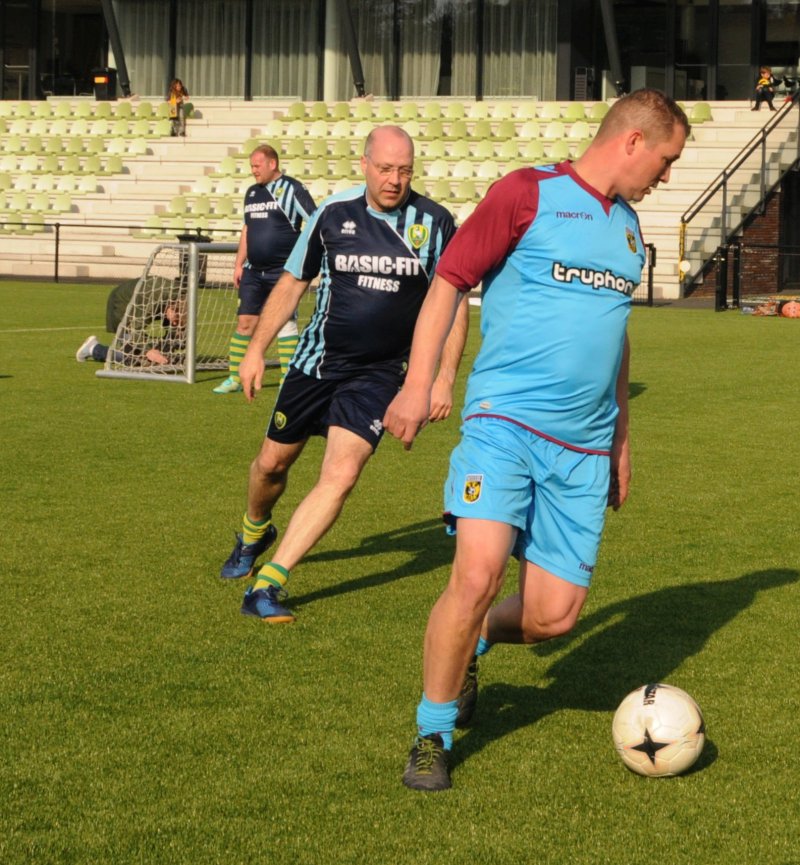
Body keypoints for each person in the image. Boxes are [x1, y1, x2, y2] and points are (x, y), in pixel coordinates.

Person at [383, 88, 689, 791]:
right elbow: (449, 283)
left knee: (555, 616)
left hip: (583, 449)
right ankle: (434, 732)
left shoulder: (631, 232)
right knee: (477, 572)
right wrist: (417, 379)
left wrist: (621, 437)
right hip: (505, 425)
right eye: (665, 160)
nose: (665, 176)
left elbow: (617, 338)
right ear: (633, 141)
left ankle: (475, 641)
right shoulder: (527, 193)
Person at [220, 125, 467, 626]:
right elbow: (293, 282)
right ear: (364, 164)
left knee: (341, 474)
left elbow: (455, 304)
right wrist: (254, 350)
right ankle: (253, 531)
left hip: (378, 376)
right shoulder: (332, 213)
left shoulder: (436, 223)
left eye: (404, 171)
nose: (394, 180)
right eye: (385, 169)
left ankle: (269, 583)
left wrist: (443, 379)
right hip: (315, 364)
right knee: (271, 466)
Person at [213, 144, 317, 394]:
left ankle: (286, 379)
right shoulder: (251, 193)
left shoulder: (293, 189)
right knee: (245, 322)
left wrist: (307, 256)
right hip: (253, 271)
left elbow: (315, 219)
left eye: (257, 165)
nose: (253, 171)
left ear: (272, 164)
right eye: (251, 166)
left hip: (283, 272)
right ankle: (235, 378)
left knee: (285, 323)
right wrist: (239, 263)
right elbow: (247, 230)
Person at [76, 276, 184, 367]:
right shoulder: (153, 299)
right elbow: (135, 328)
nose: (176, 323)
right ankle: (93, 348)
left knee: (166, 345)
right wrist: (148, 351)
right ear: (173, 308)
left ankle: (154, 351)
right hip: (120, 305)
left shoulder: (183, 299)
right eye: (177, 319)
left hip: (152, 304)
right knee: (133, 359)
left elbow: (178, 324)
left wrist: (177, 333)